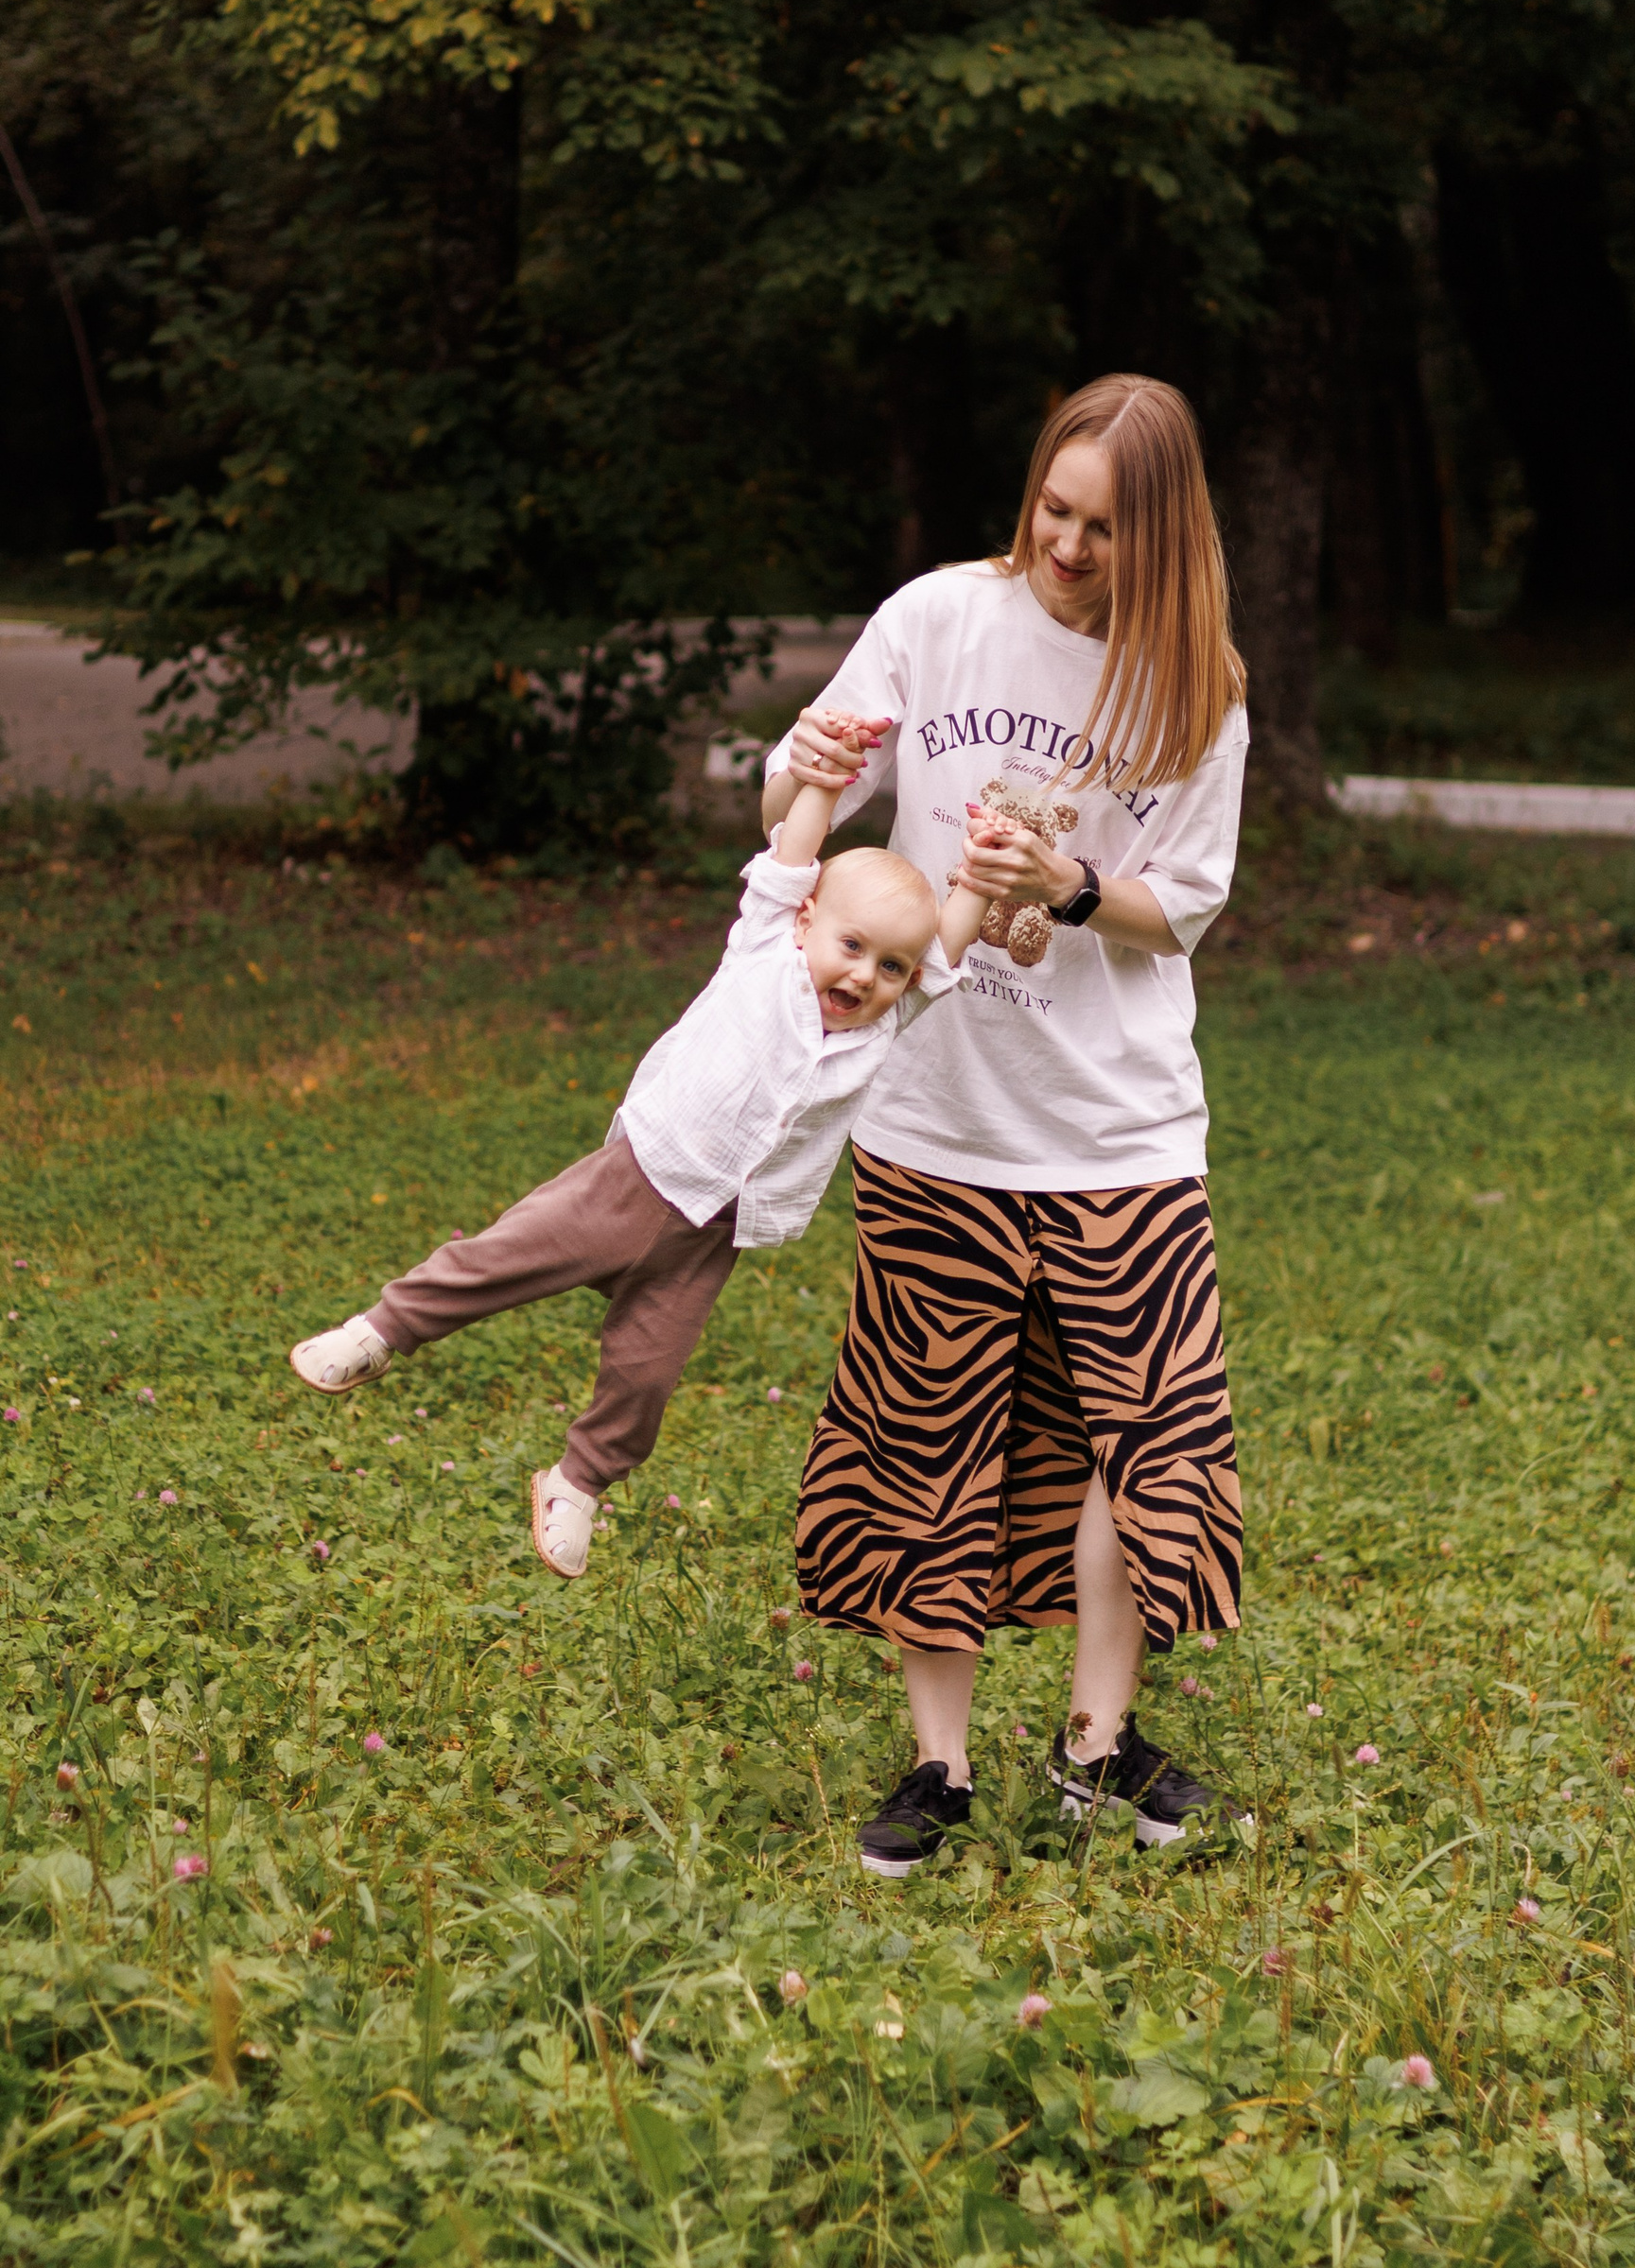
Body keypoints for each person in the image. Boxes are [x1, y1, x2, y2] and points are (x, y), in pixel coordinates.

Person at [763, 374, 1249, 1878]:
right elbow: (801, 795)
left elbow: (1187, 904)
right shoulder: (937, 618)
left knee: (1149, 1437)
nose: (1070, 548)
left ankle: (1096, 1750)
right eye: (1054, 509)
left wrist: (1070, 889)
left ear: (1163, 535)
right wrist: (803, 773)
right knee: (934, 1432)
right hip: (937, 1115)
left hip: (1121, 1128)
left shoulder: (1197, 689)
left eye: (1106, 528)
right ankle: (941, 1765)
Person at [287, 729, 1011, 1580]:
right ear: (806, 922)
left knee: (646, 1377)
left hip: (714, 1231)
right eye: (852, 948)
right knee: (497, 1261)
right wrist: (823, 780)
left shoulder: (885, 1024)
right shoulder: (765, 946)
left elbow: (942, 956)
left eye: (889, 967)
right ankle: (380, 1331)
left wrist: (977, 878)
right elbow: (792, 859)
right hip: (640, 1176)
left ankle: (577, 1482)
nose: (865, 977)